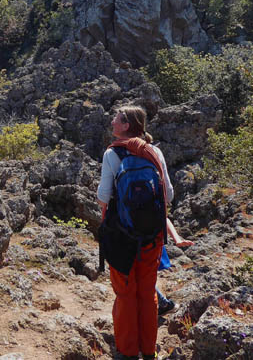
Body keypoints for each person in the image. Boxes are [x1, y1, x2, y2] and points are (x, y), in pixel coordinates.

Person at [97, 106, 174, 360]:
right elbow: (169, 195)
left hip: (122, 238)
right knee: (147, 292)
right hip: (153, 237)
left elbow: (103, 196)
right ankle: (149, 351)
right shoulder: (155, 152)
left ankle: (128, 353)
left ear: (127, 125)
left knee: (125, 293)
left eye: (116, 118)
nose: (112, 121)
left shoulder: (112, 153)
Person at [157, 218, 194, 316]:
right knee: (144, 279)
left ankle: (164, 304)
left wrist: (177, 239)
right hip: (151, 246)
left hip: (134, 246)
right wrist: (177, 239)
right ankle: (164, 304)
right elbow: (163, 218)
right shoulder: (152, 202)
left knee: (140, 280)